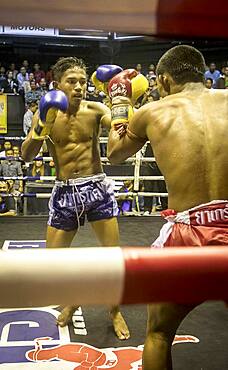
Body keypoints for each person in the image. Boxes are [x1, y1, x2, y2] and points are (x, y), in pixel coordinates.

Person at [107, 45, 228, 369]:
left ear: (163, 79)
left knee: (159, 333)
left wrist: (120, 103)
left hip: (189, 234)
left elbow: (115, 153)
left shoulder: (155, 111)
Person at [21, 57, 136, 340]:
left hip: (96, 188)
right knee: (55, 263)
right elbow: (26, 155)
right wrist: (41, 128)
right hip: (64, 191)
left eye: (83, 81)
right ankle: (73, 299)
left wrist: (121, 100)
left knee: (111, 258)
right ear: (57, 84)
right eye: (71, 81)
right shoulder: (44, 113)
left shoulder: (96, 109)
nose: (79, 87)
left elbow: (121, 123)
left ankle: (114, 311)